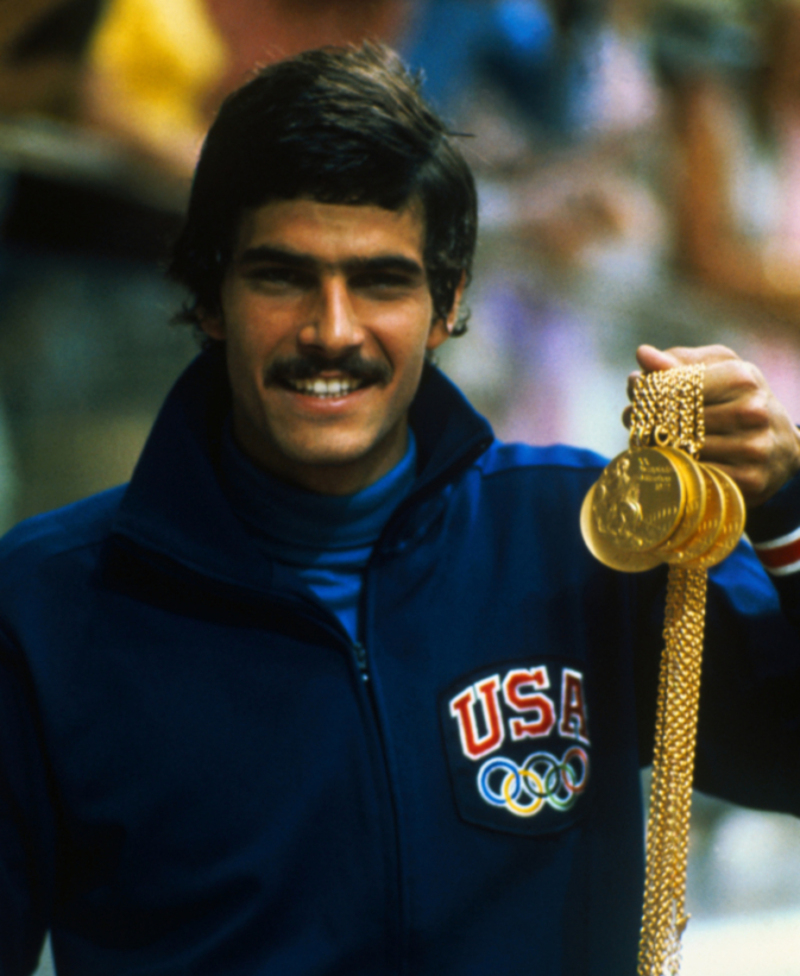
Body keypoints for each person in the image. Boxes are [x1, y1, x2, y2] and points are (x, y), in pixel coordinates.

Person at [1, 41, 800, 976]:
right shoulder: (46, 607)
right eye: (281, 275)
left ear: (447, 302)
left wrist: (784, 514)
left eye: (380, 281)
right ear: (210, 297)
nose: (331, 331)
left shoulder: (577, 538)